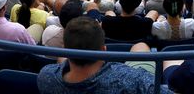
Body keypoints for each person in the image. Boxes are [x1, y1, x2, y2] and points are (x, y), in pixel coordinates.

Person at [37, 16, 168, 93]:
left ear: (66, 50)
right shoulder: (133, 80)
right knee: (140, 46)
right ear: (103, 50)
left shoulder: (46, 76)